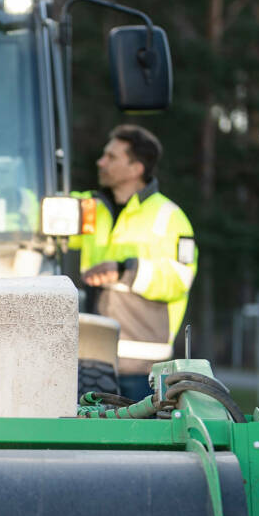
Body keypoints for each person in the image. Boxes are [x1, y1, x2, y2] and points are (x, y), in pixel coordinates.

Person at [75, 124, 197, 401]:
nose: (100, 162)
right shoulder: (88, 208)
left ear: (136, 168)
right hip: (92, 359)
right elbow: (32, 210)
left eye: (111, 157)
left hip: (141, 369)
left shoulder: (170, 217)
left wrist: (125, 270)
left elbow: (179, 280)